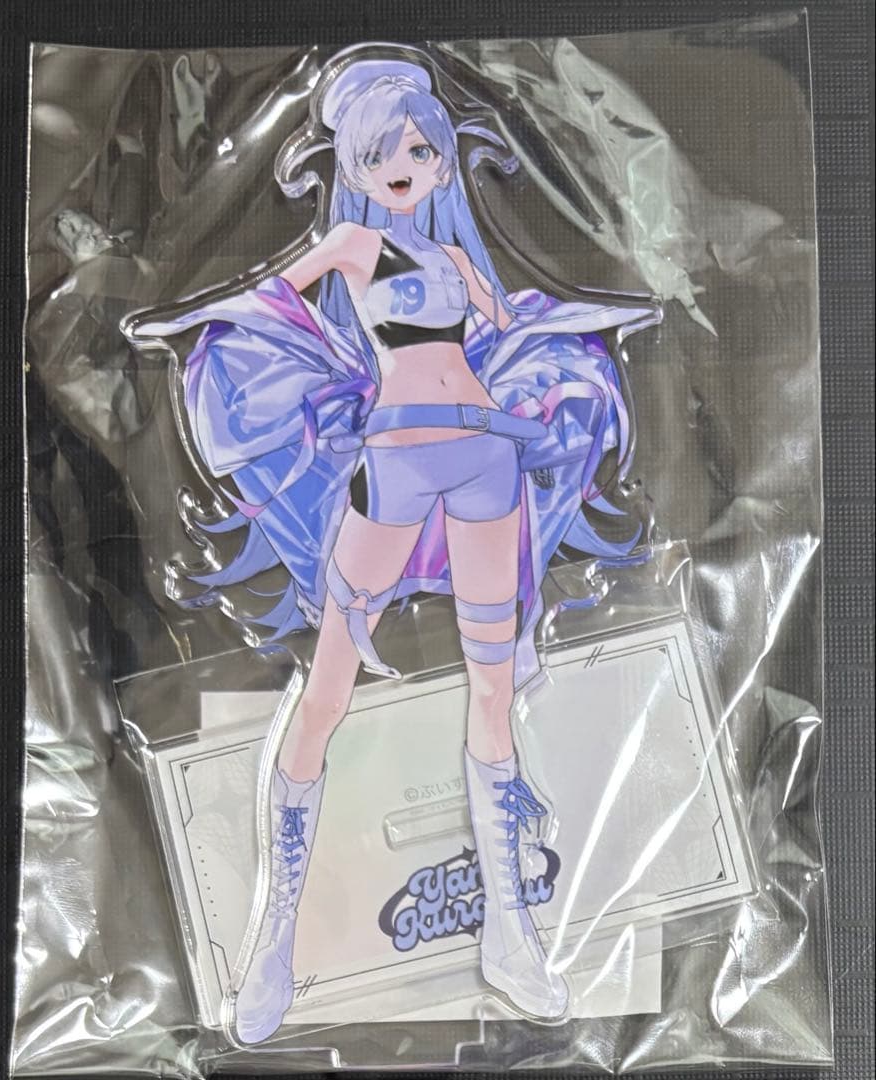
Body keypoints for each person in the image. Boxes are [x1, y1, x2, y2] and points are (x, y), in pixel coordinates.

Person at [126, 50, 659, 1044]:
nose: (404, 167)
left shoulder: (459, 261)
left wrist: (601, 325)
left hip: (487, 459)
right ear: (353, 167)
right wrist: (179, 326)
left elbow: (520, 322)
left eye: (418, 150)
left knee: (492, 696)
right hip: (394, 463)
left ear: (443, 158)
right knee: (326, 688)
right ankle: (273, 942)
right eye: (381, 156)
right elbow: (265, 302)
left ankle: (511, 934)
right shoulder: (350, 247)